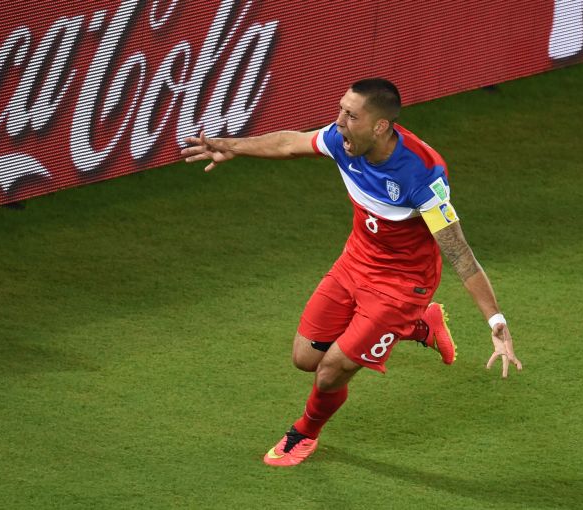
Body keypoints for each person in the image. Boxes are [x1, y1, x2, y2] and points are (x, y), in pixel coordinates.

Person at [181, 78, 522, 467]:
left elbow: (459, 252)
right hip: (355, 263)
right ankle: (419, 326)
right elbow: (291, 143)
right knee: (305, 358)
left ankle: (303, 433)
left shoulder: (423, 173)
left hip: (401, 286)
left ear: (379, 126)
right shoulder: (343, 141)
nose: (339, 121)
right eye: (341, 109)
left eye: (350, 115)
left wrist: (495, 320)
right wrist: (232, 146)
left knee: (329, 373)